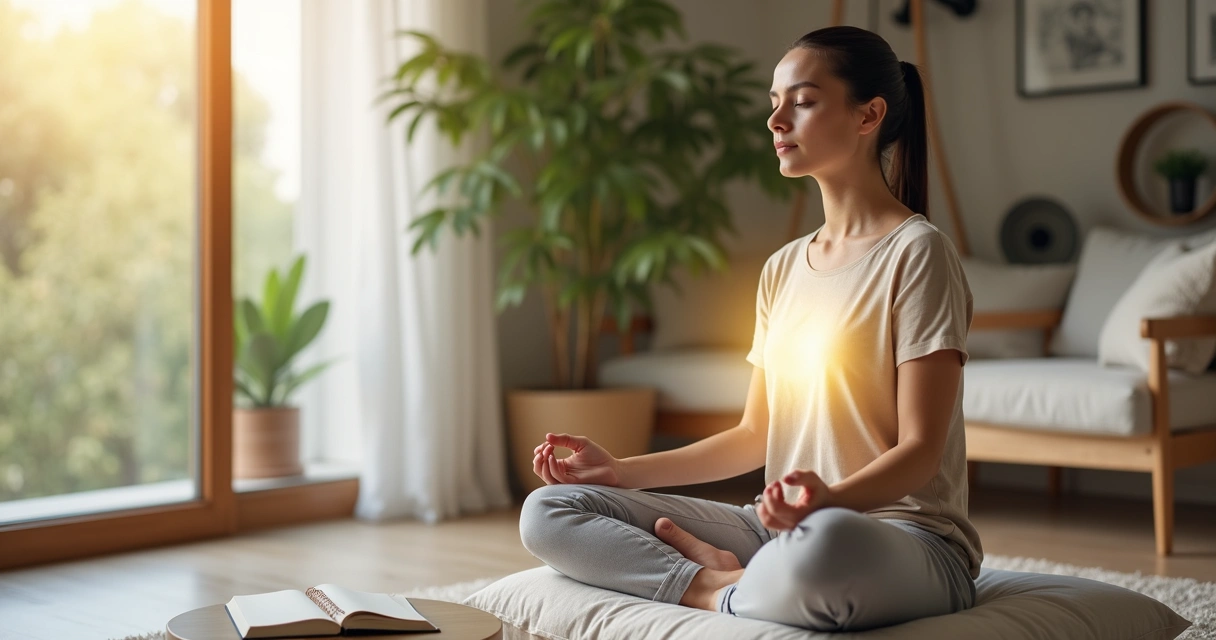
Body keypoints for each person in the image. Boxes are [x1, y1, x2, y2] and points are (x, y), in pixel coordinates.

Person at [518, 25, 981, 632]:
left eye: (804, 101)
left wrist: (827, 502)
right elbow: (754, 434)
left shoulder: (918, 253)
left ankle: (740, 580)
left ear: (869, 115)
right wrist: (620, 471)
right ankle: (712, 587)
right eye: (773, 103)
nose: (775, 121)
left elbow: (919, 453)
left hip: (900, 538)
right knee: (549, 510)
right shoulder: (783, 268)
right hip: (776, 529)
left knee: (826, 547)